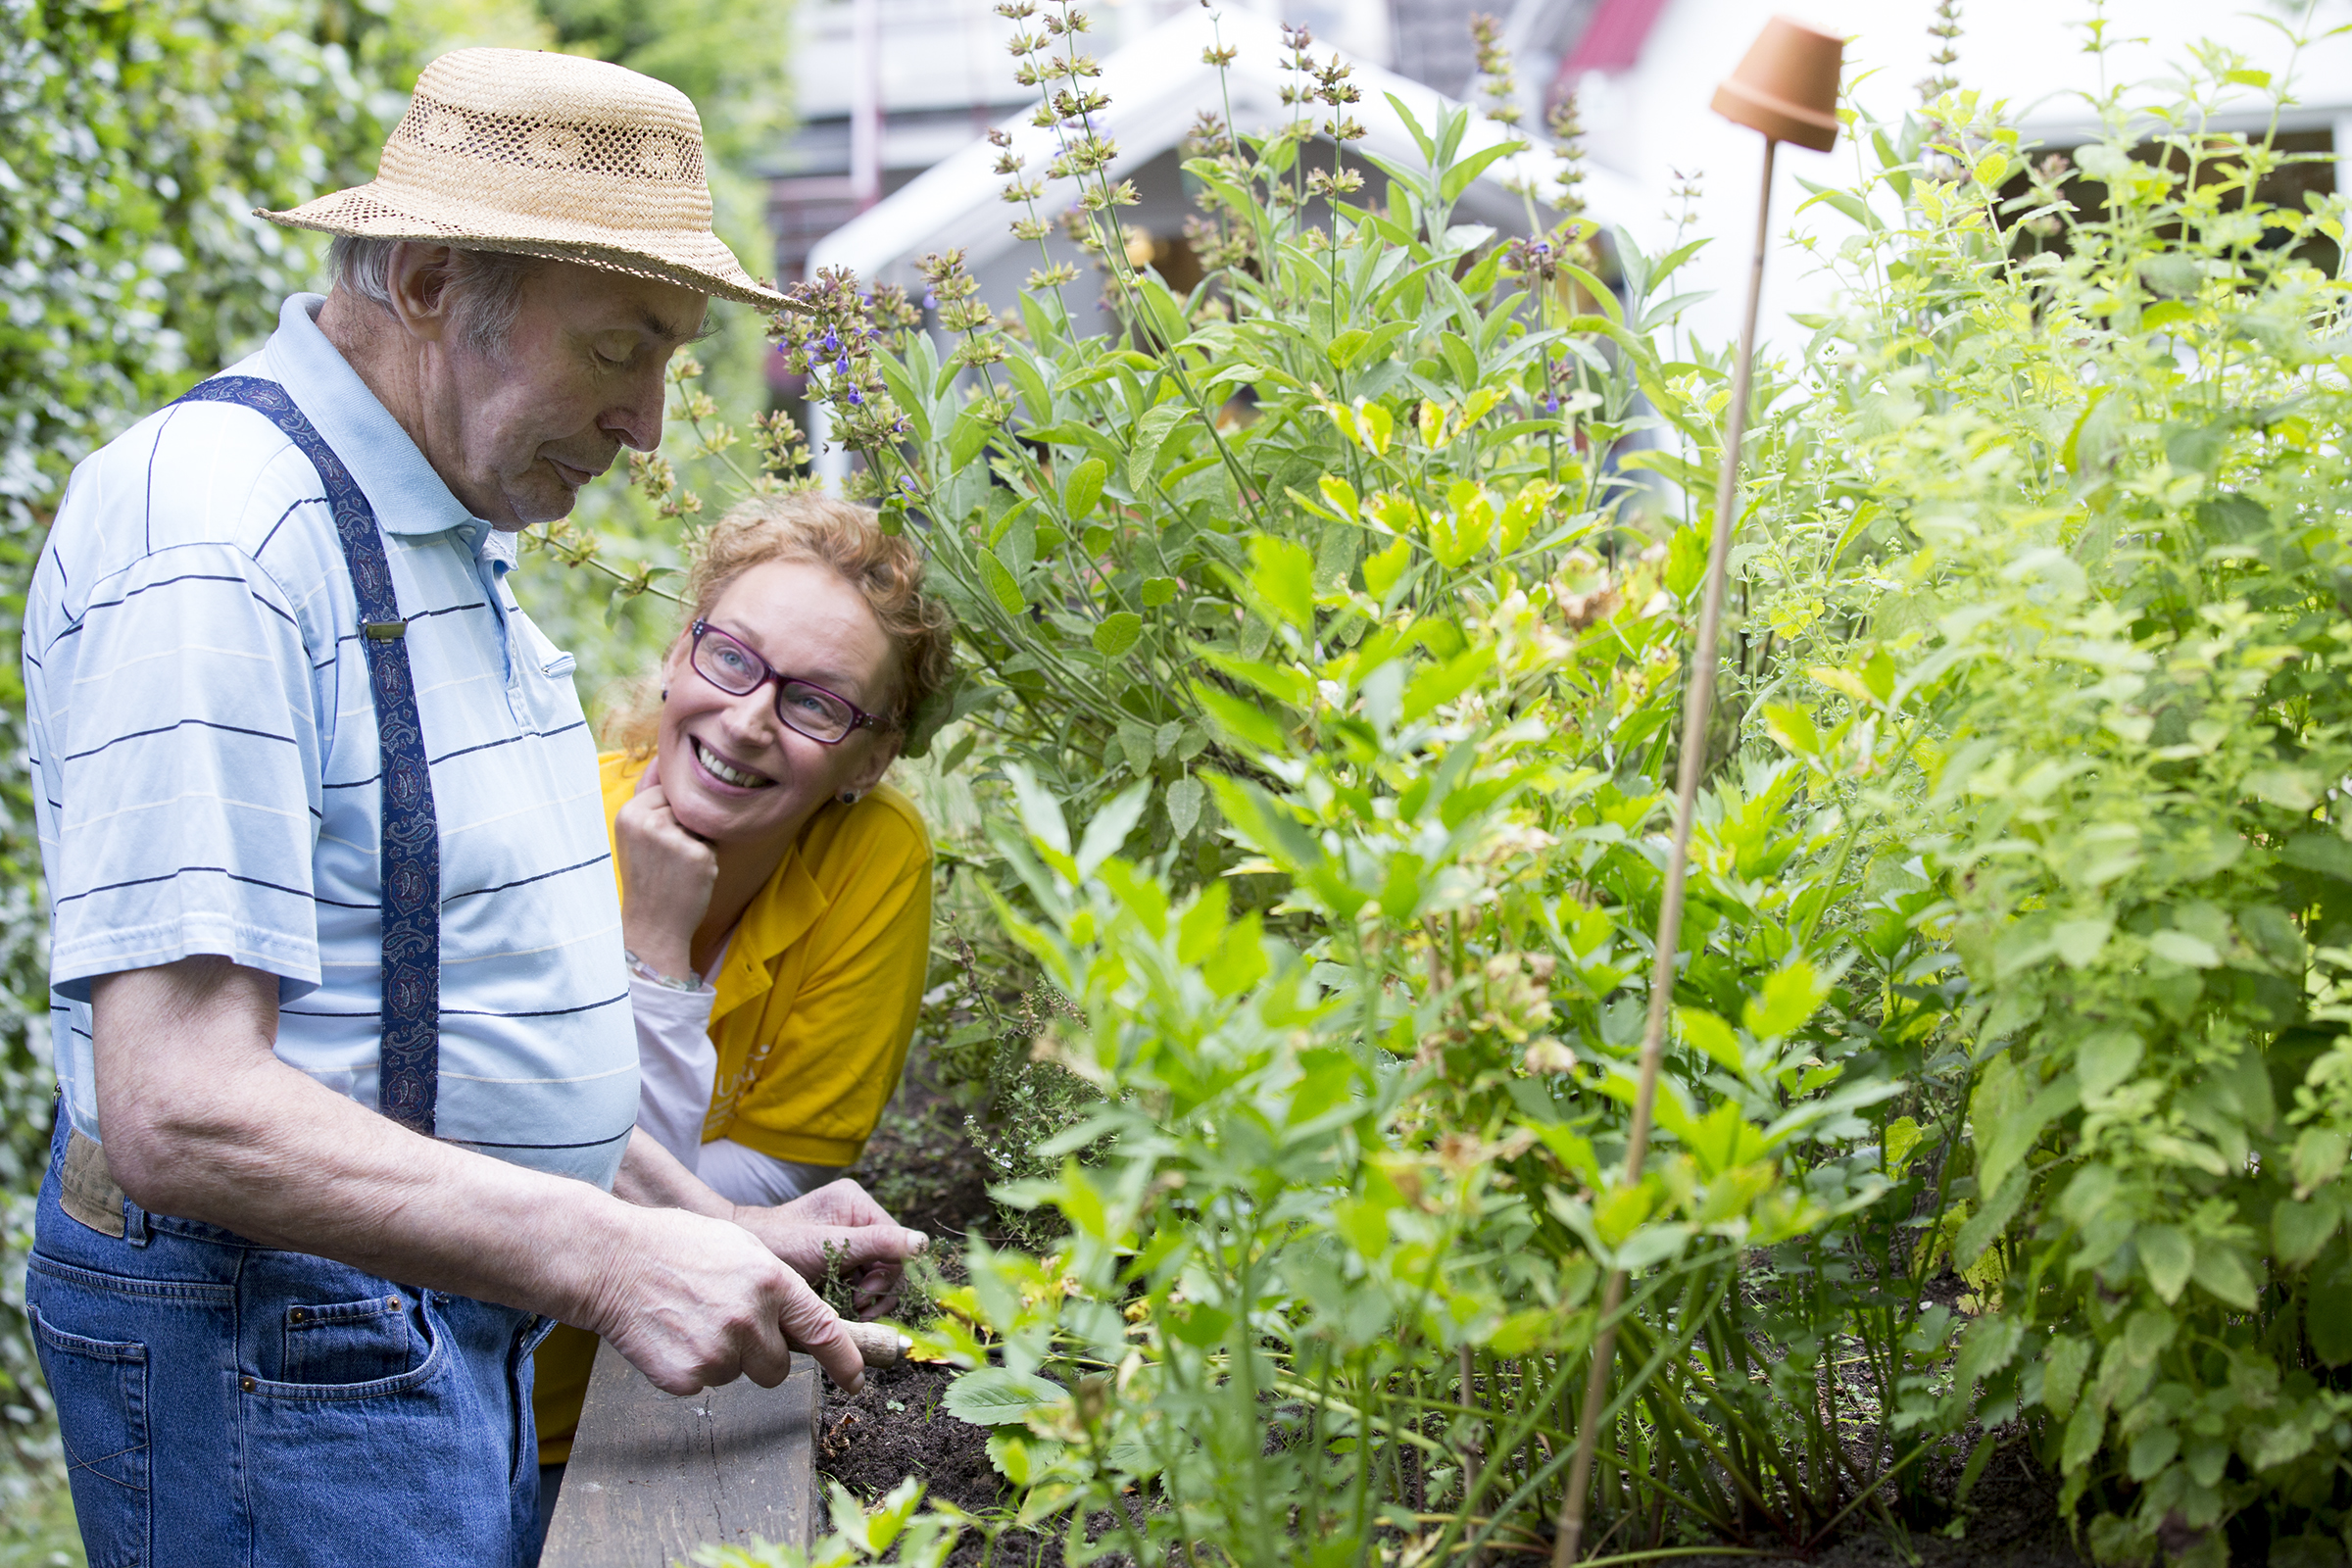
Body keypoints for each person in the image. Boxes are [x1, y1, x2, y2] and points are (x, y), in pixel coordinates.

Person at [20, 48, 922, 1568]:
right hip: (280, 1349)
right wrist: (608, 1256)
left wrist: (694, 1221)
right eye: (622, 348)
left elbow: (433, 1030)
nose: (648, 425)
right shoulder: (222, 539)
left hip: (405, 1328)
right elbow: (179, 1105)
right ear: (436, 279)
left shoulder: (432, 531)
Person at [530, 496, 952, 1505]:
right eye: (731, 658)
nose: (750, 718)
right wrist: (657, 944)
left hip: (654, 1395)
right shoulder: (547, 831)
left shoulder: (872, 857)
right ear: (681, 652)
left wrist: (699, 1198)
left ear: (872, 755)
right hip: (474, 1380)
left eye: (816, 703)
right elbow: (597, 1189)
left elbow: (773, 1175)